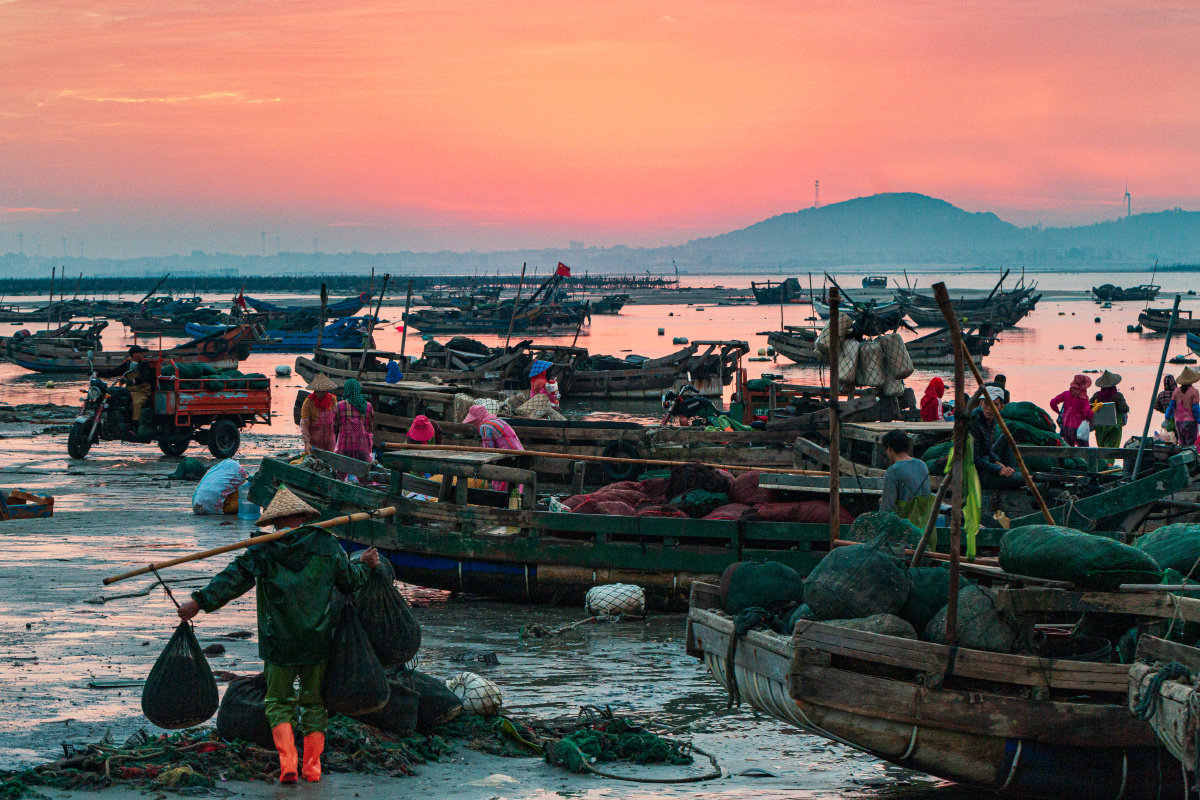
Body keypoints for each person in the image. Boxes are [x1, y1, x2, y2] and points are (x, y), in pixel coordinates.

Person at [177, 487, 380, 784]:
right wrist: (365, 566)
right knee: (314, 703)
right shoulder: (327, 545)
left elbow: (232, 580)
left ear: (277, 521)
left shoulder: (264, 549)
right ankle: (312, 768)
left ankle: (288, 764)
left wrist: (199, 602)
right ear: (301, 516)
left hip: (278, 643)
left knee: (278, 702)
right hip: (317, 641)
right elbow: (349, 583)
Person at [971, 386, 1024, 487]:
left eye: (995, 405)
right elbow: (973, 459)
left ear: (1001, 407)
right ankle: (1014, 476)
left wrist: (998, 463)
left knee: (1006, 437)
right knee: (1021, 479)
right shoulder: (974, 420)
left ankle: (1012, 472)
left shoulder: (993, 420)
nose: (990, 408)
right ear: (981, 403)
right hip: (977, 472)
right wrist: (998, 469)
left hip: (987, 461)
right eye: (987, 403)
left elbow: (987, 450)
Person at [464, 403, 523, 491]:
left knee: (503, 487)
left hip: (508, 458)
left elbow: (489, 451)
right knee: (515, 490)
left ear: (478, 418)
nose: (473, 424)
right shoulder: (497, 420)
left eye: (474, 421)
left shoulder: (485, 426)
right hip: (519, 455)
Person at [878, 429, 933, 524]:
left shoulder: (892, 471)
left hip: (904, 527)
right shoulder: (922, 465)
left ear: (889, 448)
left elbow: (886, 509)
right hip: (924, 525)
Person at [333, 378, 374, 464]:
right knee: (364, 472)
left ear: (346, 390)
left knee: (340, 473)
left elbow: (334, 429)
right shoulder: (368, 406)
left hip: (344, 446)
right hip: (363, 447)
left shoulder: (339, 405)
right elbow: (370, 428)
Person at [1050, 374, 1094, 447]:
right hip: (1079, 429)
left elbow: (1053, 403)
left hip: (1066, 427)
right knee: (1085, 451)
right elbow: (1087, 415)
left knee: (1069, 450)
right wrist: (1094, 410)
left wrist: (1059, 413)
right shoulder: (1083, 399)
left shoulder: (1066, 394)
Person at [1090, 370, 1130, 449]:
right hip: (1115, 427)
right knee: (1112, 450)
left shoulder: (1097, 396)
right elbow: (1125, 409)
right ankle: (1109, 462)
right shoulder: (1118, 396)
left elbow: (1089, 407)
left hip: (1100, 427)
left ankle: (1103, 461)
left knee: (1101, 450)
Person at [299, 374, 337, 454]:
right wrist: (306, 442)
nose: (319, 394)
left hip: (330, 438)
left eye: (322, 391)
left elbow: (336, 418)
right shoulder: (308, 402)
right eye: (317, 391)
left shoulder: (332, 399)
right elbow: (304, 423)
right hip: (314, 440)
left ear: (326, 390)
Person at [1165, 367, 1200, 447]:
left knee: (1182, 444)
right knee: (1191, 445)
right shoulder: (1194, 392)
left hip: (1179, 422)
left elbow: (1171, 406)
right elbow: (1196, 409)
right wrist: (1199, 420)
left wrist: (1167, 418)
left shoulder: (1176, 391)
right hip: (1191, 422)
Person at [123, 345, 154, 426]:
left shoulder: (144, 364)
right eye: (140, 353)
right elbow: (113, 371)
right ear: (135, 354)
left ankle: (135, 426)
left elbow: (144, 376)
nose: (142, 355)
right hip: (130, 389)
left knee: (136, 404)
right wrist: (98, 373)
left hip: (142, 391)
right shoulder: (127, 364)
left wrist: (133, 381)